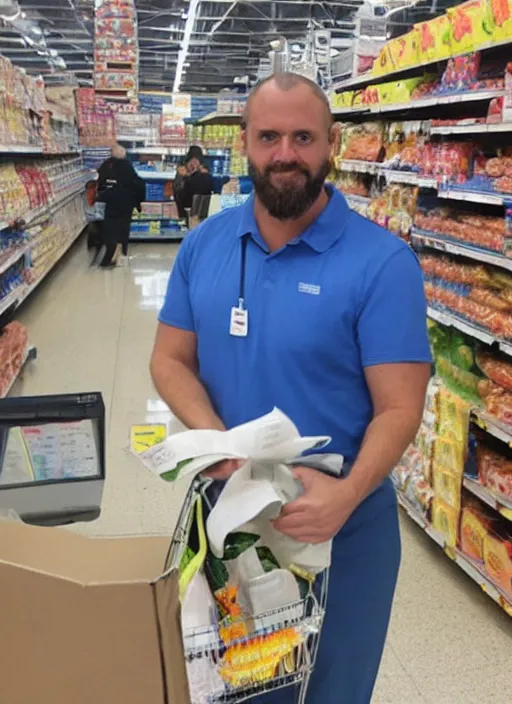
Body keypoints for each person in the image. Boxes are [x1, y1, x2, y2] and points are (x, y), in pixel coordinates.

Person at [150, 72, 431, 704]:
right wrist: (214, 436)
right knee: (230, 688)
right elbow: (169, 359)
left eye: (303, 137)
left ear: (331, 143)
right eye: (269, 136)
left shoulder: (382, 263)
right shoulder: (205, 246)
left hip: (340, 525)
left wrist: (347, 493)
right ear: (243, 141)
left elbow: (399, 407)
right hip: (228, 517)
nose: (285, 154)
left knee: (331, 690)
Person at [96, 144, 145, 268]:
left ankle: (110, 257)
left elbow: (100, 184)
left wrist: (101, 197)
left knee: (110, 229)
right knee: (123, 229)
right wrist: (138, 203)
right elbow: (138, 184)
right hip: (126, 204)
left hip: (111, 204)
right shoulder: (127, 166)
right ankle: (121, 256)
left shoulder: (106, 165)